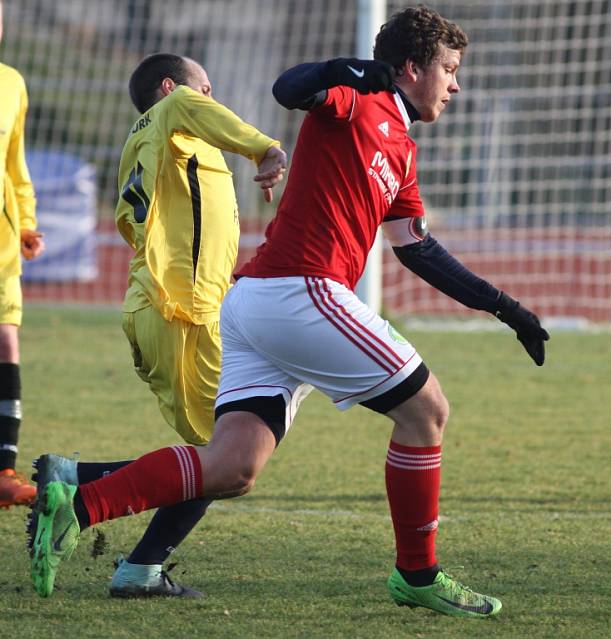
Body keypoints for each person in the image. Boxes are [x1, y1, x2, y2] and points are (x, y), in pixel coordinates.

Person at [29, 6, 549, 617]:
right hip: (298, 288)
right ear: (412, 68)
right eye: (450, 69)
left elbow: (419, 250)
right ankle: (419, 574)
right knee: (428, 410)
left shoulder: (402, 149)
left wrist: (506, 308)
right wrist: (356, 71)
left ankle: (75, 501)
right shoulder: (358, 99)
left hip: (256, 304)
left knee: (233, 467)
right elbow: (289, 87)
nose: (456, 84)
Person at [29, 52, 287, 596]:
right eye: (204, 88)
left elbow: (140, 228)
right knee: (228, 460)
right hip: (183, 314)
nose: (210, 96)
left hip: (159, 311)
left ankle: (91, 499)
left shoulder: (152, 147)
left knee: (216, 458)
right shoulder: (174, 111)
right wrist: (264, 147)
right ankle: (96, 521)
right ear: (171, 88)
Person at [0, 0, 46, 509]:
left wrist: (27, 221)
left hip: (2, 246)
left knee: (6, 345)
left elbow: (15, 165)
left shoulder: (11, 82)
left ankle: (3, 470)